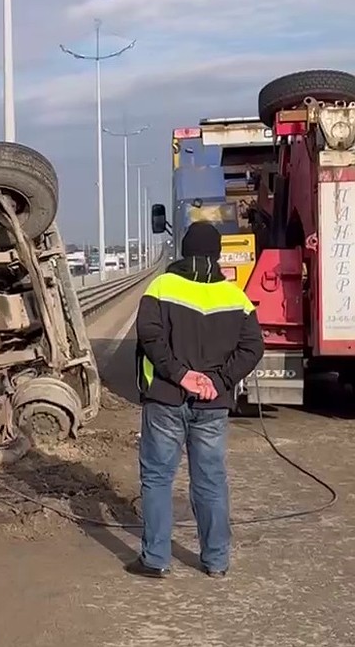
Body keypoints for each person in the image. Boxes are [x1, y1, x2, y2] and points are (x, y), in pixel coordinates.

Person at [130, 221, 264, 579]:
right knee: (210, 481)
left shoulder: (161, 286)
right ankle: (216, 561)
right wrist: (217, 381)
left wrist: (180, 374)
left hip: (165, 399)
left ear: (184, 251)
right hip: (212, 405)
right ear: (217, 255)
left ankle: (156, 560)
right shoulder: (236, 297)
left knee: (158, 478)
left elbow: (149, 335)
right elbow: (253, 347)